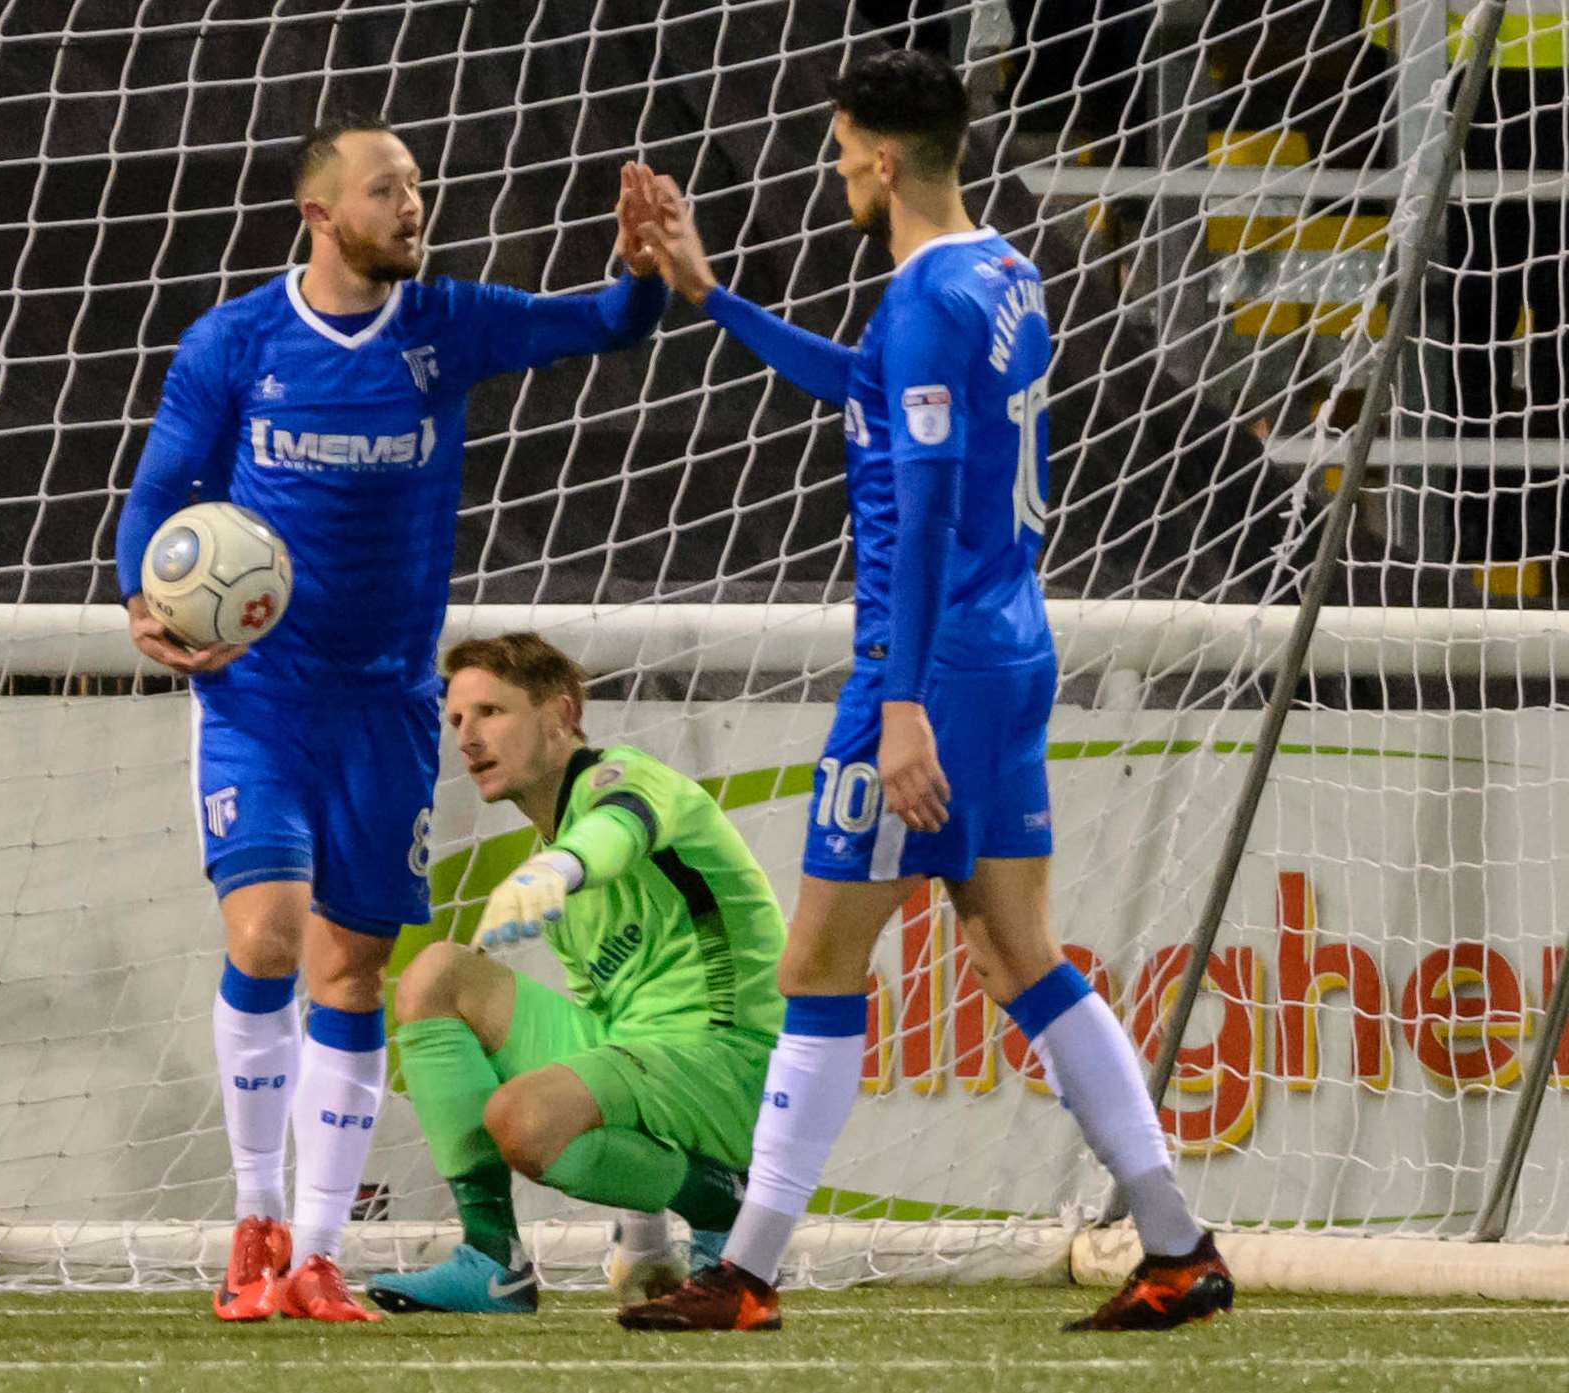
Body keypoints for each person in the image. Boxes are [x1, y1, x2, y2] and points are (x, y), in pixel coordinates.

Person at [614, 50, 1234, 1333]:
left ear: (882, 158)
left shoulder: (932, 304)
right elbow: (869, 395)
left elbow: (934, 495)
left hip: (931, 663)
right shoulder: (1002, 271)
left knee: (819, 963)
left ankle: (750, 1272)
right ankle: (1176, 1243)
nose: (836, 167)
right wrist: (711, 294)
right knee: (1020, 956)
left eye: (842, 149)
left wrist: (898, 704)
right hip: (1009, 647)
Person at [113, 116, 668, 1324]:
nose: (414, 206)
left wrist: (636, 271)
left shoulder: (445, 325)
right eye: (387, 190)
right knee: (266, 937)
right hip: (259, 698)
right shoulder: (237, 343)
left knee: (354, 970)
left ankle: (315, 1251)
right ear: (321, 214)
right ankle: (256, 1217)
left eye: (417, 187)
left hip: (387, 706)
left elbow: (607, 326)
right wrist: (139, 600)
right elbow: (160, 493)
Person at [364, 632, 786, 1315]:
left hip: (728, 1058)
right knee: (435, 974)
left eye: (491, 712)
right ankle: (492, 1259)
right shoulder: (551, 843)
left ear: (560, 716)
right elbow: (607, 1025)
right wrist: (645, 1238)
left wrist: (560, 868)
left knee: (522, 1119)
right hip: (647, 1055)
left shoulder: (622, 781)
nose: (467, 737)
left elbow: (619, 830)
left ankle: (721, 1201)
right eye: (457, 720)